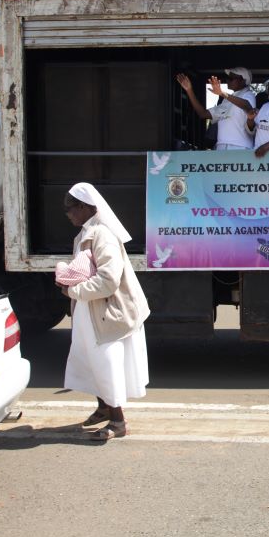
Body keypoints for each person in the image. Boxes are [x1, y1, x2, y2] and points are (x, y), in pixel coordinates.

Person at [60, 183, 151, 441]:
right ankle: (103, 408)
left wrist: (73, 291)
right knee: (90, 359)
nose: (67, 213)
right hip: (91, 311)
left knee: (105, 363)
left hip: (104, 312)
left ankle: (118, 422)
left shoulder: (102, 235)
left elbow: (109, 280)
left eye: (70, 208)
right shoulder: (85, 234)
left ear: (86, 207)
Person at [175, 68, 256, 150]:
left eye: (231, 78)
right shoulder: (226, 100)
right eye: (227, 78)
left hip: (240, 147)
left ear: (243, 81)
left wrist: (222, 93)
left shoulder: (248, 94)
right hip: (221, 147)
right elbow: (203, 114)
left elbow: (247, 106)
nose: (227, 80)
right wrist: (189, 90)